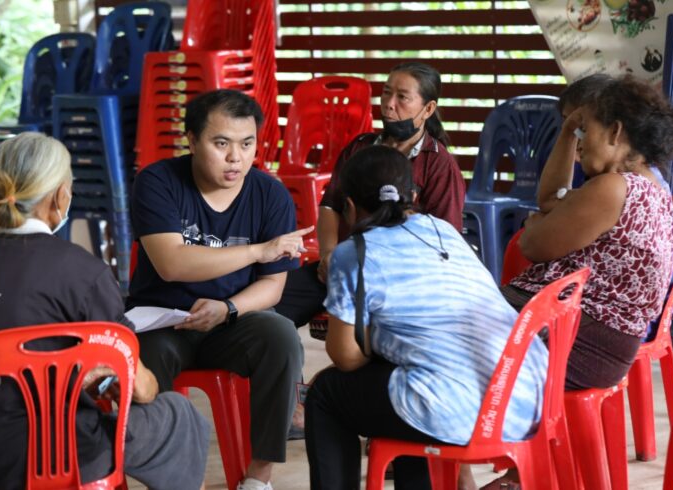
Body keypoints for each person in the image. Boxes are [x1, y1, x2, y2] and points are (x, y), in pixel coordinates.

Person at [0, 133, 210, 490]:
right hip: (56, 455)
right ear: (59, 195)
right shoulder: (81, 270)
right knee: (178, 414)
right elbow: (140, 389)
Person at [304, 145, 548, 490]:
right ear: (413, 197)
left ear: (350, 207)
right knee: (403, 380)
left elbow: (345, 356)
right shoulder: (441, 229)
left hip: (461, 413)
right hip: (523, 398)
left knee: (326, 394)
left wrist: (376, 339)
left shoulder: (354, 253)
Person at [127, 89, 307, 490]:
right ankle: (170, 479)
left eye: (247, 145)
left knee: (280, 337)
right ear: (192, 141)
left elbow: (273, 285)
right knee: (145, 363)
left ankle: (258, 479)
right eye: (221, 143)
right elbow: (172, 263)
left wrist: (228, 307)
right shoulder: (158, 181)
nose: (235, 158)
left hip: (231, 322)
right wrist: (259, 250)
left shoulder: (269, 193)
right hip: (163, 322)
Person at [503, 74, 673, 391]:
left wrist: (535, 224)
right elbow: (551, 200)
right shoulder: (647, 189)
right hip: (585, 338)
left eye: (583, 130)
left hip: (577, 342)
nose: (578, 144)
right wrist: (566, 133)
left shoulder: (614, 189)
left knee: (429, 328)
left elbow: (531, 245)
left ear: (615, 132)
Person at [275, 62, 466, 330]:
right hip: (345, 265)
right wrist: (330, 256)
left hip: (401, 279)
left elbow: (445, 240)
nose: (389, 104)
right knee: (271, 306)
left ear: (428, 109)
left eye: (402, 97)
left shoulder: (439, 165)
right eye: (386, 93)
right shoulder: (360, 148)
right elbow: (331, 205)